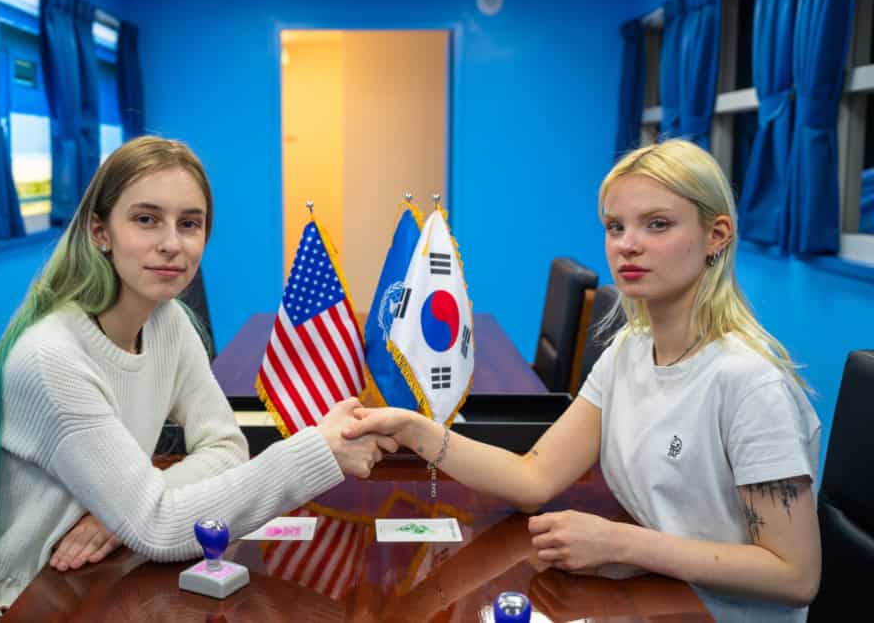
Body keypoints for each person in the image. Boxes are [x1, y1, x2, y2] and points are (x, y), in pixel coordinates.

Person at [344, 139, 821, 622]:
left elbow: (794, 575)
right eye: (615, 227)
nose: (627, 244)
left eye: (657, 224)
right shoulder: (629, 350)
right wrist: (416, 432)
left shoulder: (750, 384)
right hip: (651, 599)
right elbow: (533, 477)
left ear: (717, 235)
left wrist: (622, 543)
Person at [0, 136, 395, 622]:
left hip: (94, 589)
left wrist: (127, 511)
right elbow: (160, 528)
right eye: (146, 219)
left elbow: (225, 446)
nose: (172, 243)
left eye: (189, 223)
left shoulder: (167, 321)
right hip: (15, 606)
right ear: (99, 232)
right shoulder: (52, 359)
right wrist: (318, 451)